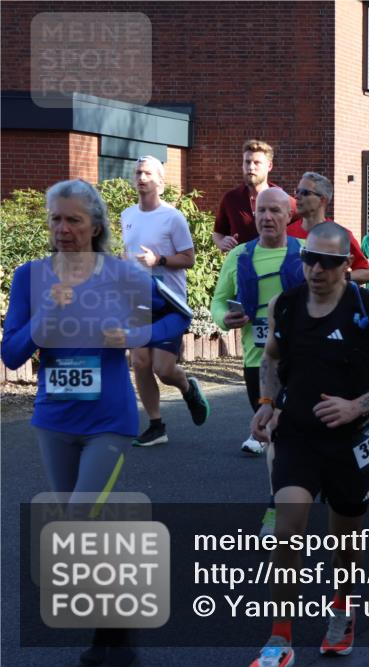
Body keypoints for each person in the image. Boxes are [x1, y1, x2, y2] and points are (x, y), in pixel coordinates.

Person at [1, 179, 192, 667]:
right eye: (55, 220)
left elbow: (179, 318)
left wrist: (133, 333)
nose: (62, 229)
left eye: (74, 220)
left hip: (109, 420)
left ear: (96, 225)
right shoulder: (29, 277)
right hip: (54, 420)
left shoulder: (123, 276)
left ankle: (116, 634)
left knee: (80, 517)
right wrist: (47, 311)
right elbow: (12, 352)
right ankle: (115, 631)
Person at [249, 222, 369, 666]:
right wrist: (265, 402)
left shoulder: (368, 308)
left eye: (328, 262)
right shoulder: (283, 305)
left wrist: (356, 406)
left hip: (350, 443)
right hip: (297, 436)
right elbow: (271, 361)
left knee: (346, 541)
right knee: (286, 531)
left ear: (346, 266)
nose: (316, 269)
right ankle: (280, 639)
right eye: (309, 259)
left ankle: (342, 610)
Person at [211, 187, 304, 540]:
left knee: (288, 435)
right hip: (257, 362)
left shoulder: (303, 253)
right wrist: (224, 319)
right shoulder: (239, 255)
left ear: (288, 216)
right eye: (262, 210)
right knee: (276, 435)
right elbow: (218, 301)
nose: (267, 217)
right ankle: (283, 501)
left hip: (302, 362)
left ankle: (278, 504)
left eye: (275, 211)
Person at [121, 156, 209, 446]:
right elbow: (128, 253)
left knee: (163, 368)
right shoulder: (128, 215)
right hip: (139, 301)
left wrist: (157, 259)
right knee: (140, 361)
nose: (141, 177)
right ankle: (156, 425)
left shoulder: (173, 217)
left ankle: (187, 387)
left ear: (160, 181)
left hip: (170, 303)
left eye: (147, 173)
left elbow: (189, 258)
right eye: (138, 172)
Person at [213, 139, 298, 252]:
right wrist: (222, 242)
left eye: (257, 162)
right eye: (247, 162)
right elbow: (218, 233)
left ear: (269, 166)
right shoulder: (231, 199)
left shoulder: (283, 199)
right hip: (241, 265)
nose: (251, 167)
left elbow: (305, 226)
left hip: (276, 265)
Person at [287, 172, 369, 284]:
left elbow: (367, 273)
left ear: (323, 200)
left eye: (305, 193)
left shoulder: (340, 235)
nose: (297, 197)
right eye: (297, 191)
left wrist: (339, 276)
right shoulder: (285, 234)